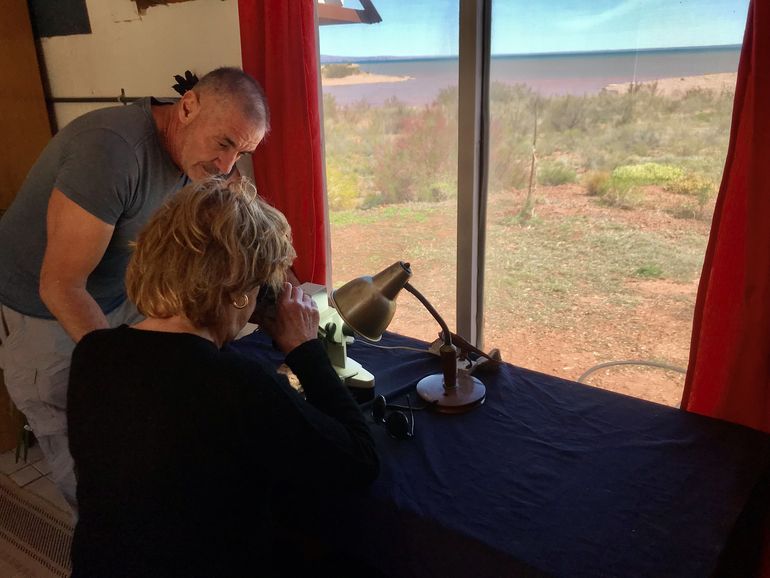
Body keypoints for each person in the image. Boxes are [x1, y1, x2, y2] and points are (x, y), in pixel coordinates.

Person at [66, 178, 379, 577]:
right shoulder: (238, 383)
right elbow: (359, 463)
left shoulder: (94, 352)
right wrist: (304, 349)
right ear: (240, 291)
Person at [0, 67, 269, 509]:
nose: (227, 166)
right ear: (187, 108)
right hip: (43, 308)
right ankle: (107, 540)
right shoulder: (111, 152)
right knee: (81, 442)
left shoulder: (198, 155)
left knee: (138, 423)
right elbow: (60, 285)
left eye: (241, 153)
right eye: (224, 144)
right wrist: (125, 372)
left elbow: (242, 214)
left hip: (115, 292)